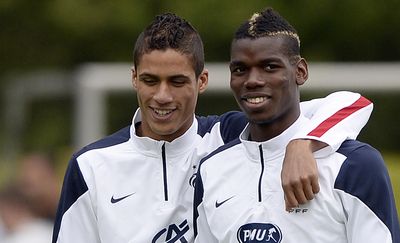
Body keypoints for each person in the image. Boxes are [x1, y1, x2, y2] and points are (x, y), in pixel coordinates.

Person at [53, 13, 373, 243]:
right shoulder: (91, 165)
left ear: (202, 81)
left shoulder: (226, 136)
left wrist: (304, 143)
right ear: (134, 78)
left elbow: (352, 104)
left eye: (177, 82)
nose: (162, 96)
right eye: (150, 81)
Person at [194, 8, 400, 243]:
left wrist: (301, 144)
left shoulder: (354, 166)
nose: (252, 80)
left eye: (270, 67)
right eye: (240, 69)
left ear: (300, 72)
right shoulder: (211, 169)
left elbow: (356, 102)